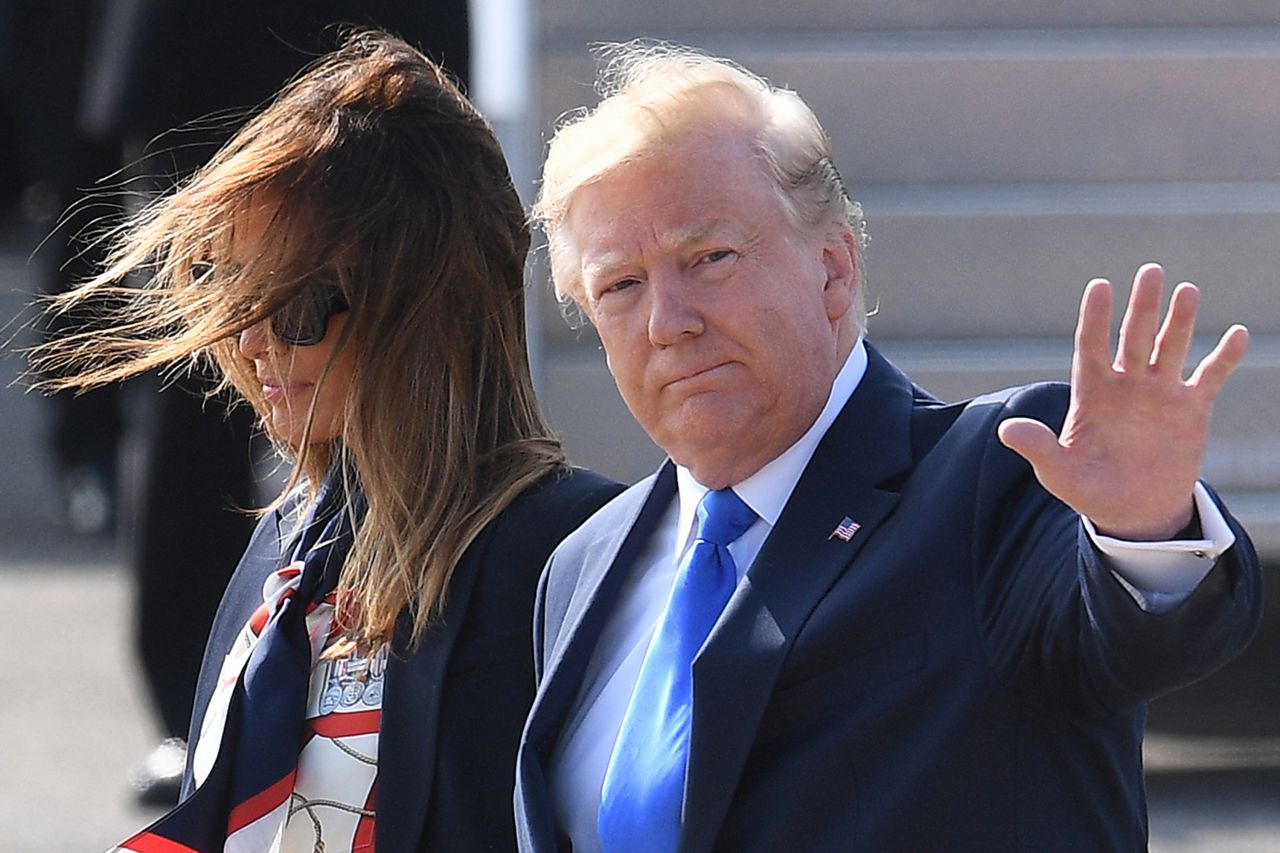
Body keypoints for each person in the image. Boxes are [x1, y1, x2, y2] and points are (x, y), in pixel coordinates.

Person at [513, 43, 1262, 852]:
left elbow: (1136, 636)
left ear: (833, 268)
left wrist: (1144, 530)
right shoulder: (582, 564)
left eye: (710, 258)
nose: (668, 321)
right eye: (620, 285)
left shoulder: (992, 475)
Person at [33, 31, 620, 851]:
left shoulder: (578, 556)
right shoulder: (284, 549)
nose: (254, 344)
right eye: (233, 295)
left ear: (427, 311)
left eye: (301, 308)